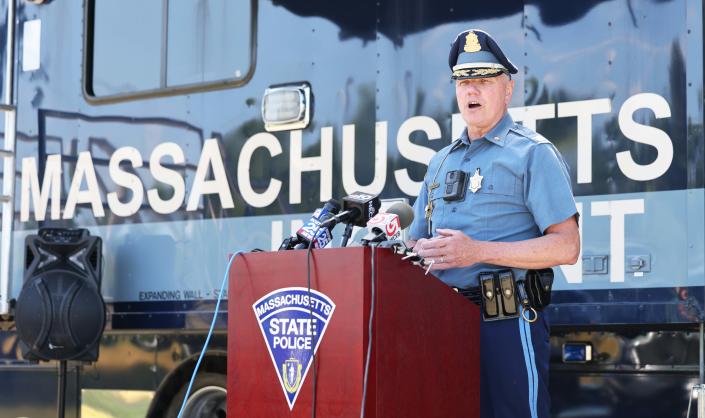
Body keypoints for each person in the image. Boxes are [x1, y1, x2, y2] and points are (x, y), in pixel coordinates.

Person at [408, 29, 580, 418]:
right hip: (443, 324)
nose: (473, 90)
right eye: (465, 81)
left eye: (484, 80)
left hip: (506, 320)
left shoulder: (532, 154)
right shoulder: (439, 163)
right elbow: (417, 242)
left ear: (508, 90)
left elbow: (567, 247)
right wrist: (407, 246)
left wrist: (476, 251)